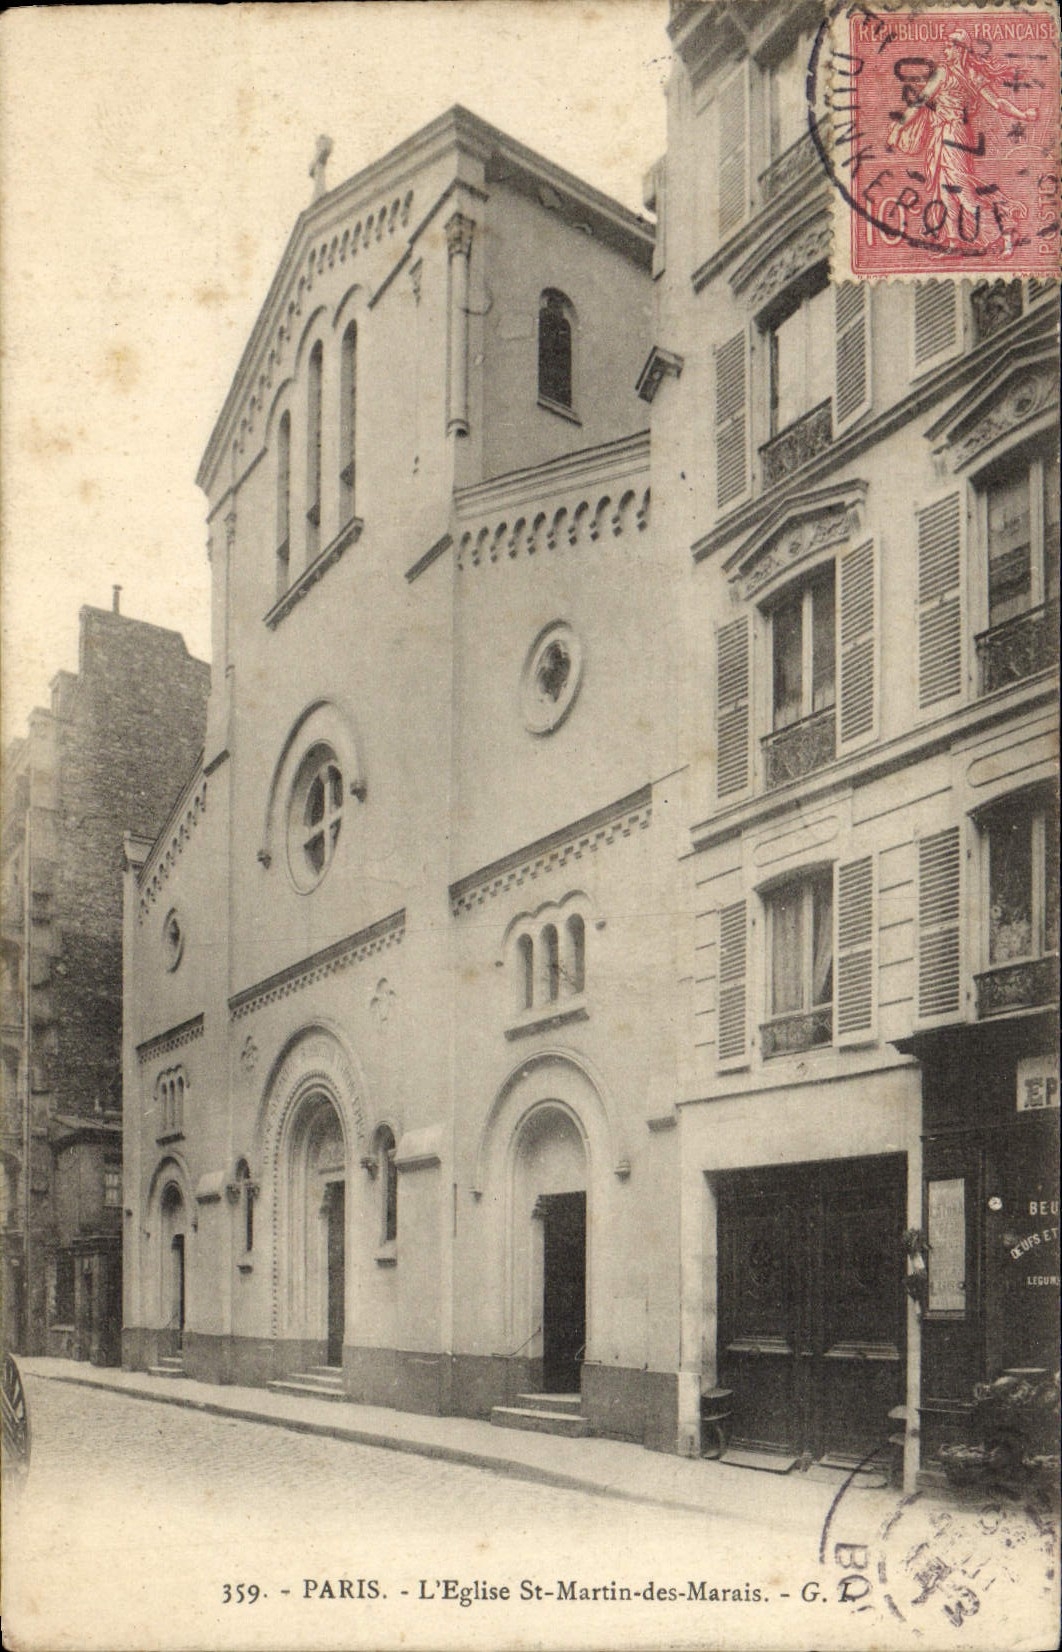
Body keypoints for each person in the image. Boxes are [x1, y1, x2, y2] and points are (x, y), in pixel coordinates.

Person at [886, 28, 1038, 254]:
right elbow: (998, 103)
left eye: (949, 46)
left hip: (952, 133)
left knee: (962, 190)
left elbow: (920, 101)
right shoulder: (971, 76)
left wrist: (899, 126)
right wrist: (1023, 114)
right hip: (948, 133)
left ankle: (1004, 231)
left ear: (959, 50)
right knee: (946, 189)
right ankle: (953, 241)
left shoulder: (945, 73)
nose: (945, 50)